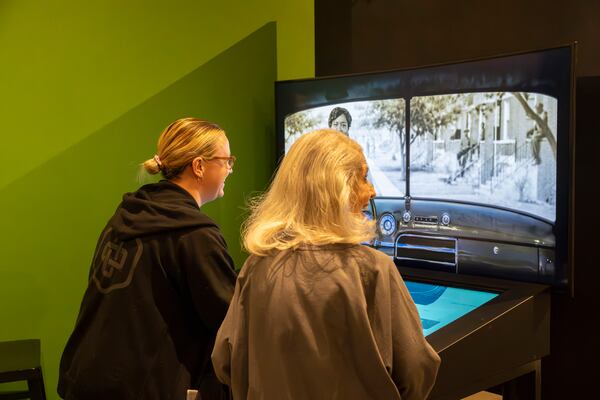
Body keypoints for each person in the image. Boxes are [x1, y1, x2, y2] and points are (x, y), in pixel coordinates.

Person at [212, 129, 440, 400]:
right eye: (363, 178)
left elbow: (225, 361)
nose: (372, 191)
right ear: (338, 188)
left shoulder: (256, 267)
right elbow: (416, 367)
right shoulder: (373, 270)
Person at [58, 118, 237, 400]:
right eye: (226, 160)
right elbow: (229, 321)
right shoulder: (194, 234)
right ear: (199, 166)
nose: (229, 169)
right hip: (141, 388)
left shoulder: (127, 215)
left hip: (85, 376)